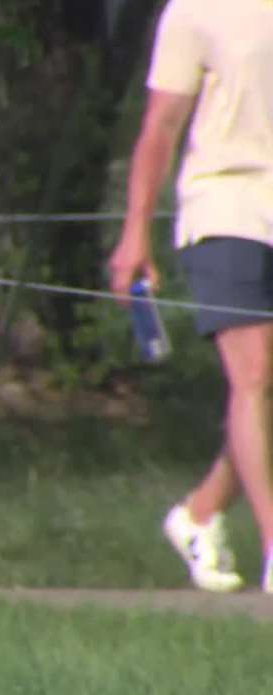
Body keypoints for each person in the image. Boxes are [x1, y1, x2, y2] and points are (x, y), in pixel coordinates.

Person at [108, 0, 273, 593]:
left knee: (265, 389)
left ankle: (200, 512)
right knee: (252, 374)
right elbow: (161, 128)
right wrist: (136, 233)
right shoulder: (196, 11)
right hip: (225, 203)